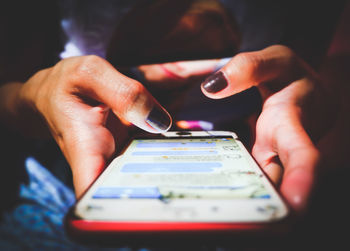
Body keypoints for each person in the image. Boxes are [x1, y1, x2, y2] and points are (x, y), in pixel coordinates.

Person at [0, 0, 349, 249]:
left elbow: (317, 71)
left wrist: (304, 104)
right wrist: (33, 97)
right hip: (66, 169)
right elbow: (8, 96)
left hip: (243, 168)